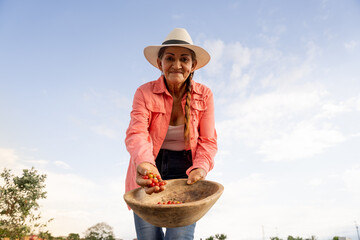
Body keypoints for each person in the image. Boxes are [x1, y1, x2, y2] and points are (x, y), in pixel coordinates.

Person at [124, 28, 217, 240]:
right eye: (169, 58)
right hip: (150, 167)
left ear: (193, 65)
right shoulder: (144, 92)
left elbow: (208, 141)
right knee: (148, 236)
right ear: (160, 63)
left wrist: (200, 168)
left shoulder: (205, 95)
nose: (177, 65)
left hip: (186, 171)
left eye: (184, 59)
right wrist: (145, 164)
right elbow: (136, 132)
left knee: (179, 237)